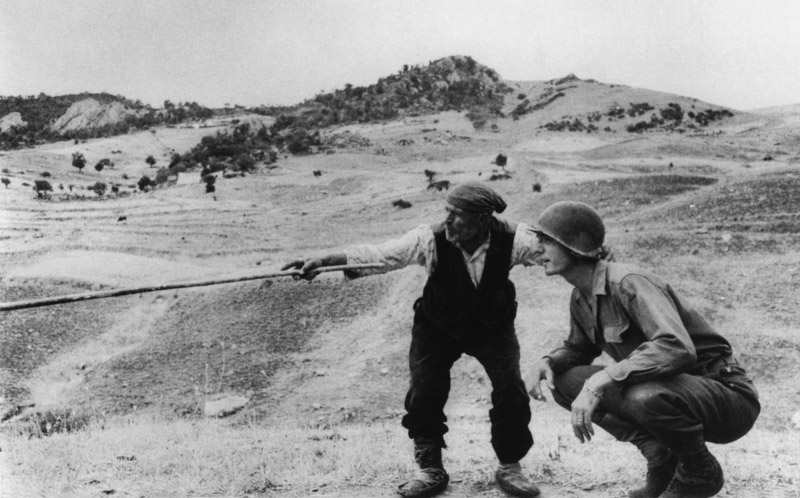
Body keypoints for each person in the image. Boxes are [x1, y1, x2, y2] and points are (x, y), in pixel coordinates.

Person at [282, 181, 544, 498]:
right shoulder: (428, 239)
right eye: (446, 212)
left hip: (492, 326)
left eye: (456, 215)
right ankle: (430, 468)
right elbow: (379, 255)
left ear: (482, 220)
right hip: (437, 326)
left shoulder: (514, 239)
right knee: (424, 391)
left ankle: (510, 467)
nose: (447, 221)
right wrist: (324, 262)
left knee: (510, 389)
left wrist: (593, 254)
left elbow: (555, 248)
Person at [526, 201, 760, 498]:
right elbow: (578, 349)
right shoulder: (580, 297)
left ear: (575, 246)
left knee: (642, 395)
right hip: (673, 393)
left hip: (726, 396)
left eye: (545, 240)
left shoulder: (627, 282)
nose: (536, 250)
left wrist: (602, 379)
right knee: (564, 379)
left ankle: (700, 473)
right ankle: (660, 456)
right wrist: (548, 362)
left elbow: (675, 347)